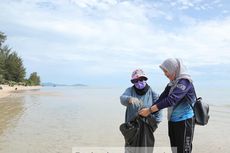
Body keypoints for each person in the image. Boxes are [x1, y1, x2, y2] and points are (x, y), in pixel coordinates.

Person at [139, 58, 196, 153]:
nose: (165, 74)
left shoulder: (185, 82)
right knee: (175, 149)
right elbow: (161, 98)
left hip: (185, 121)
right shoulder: (171, 84)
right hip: (173, 121)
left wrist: (149, 110)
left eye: (166, 71)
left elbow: (171, 100)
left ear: (173, 69)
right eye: (164, 71)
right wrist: (148, 112)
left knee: (184, 150)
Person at [120, 69, 162, 153]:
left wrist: (153, 125)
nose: (139, 83)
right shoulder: (130, 90)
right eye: (136, 81)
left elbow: (159, 111)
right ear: (133, 82)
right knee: (130, 149)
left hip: (147, 127)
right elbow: (122, 98)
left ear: (145, 79)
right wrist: (129, 99)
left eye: (141, 80)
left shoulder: (152, 93)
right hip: (131, 127)